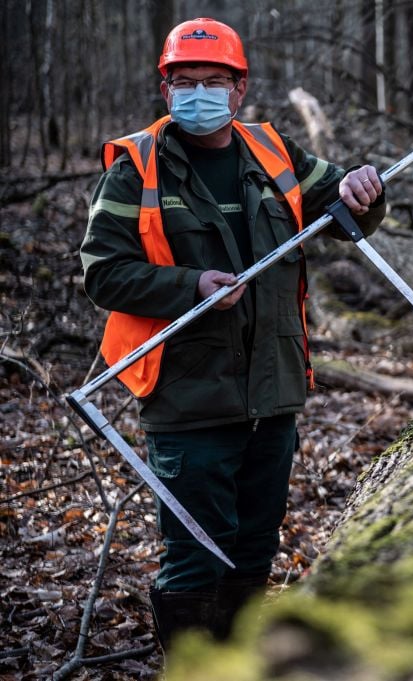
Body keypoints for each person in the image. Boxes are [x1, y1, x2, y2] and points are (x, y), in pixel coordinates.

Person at [79, 17, 386, 651]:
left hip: (271, 390)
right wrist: (192, 286)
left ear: (239, 89)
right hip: (186, 395)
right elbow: (104, 274)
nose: (199, 93)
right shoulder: (135, 167)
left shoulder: (275, 152)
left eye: (213, 81)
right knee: (195, 557)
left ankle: (239, 661)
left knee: (255, 549)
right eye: (184, 81)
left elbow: (346, 209)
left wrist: (365, 189)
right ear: (165, 89)